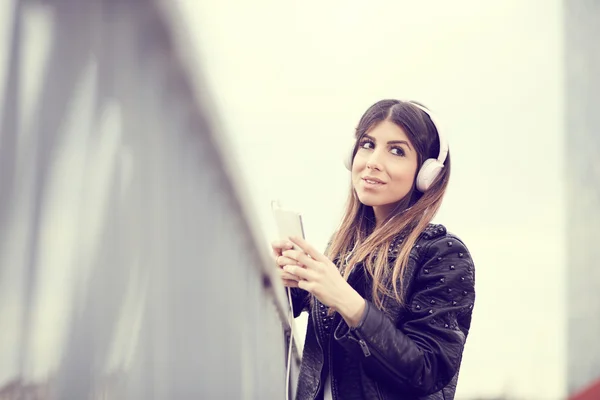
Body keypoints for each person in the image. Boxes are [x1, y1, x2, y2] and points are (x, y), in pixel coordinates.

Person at [272, 99, 475, 400]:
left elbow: (427, 370)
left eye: (397, 150)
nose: (373, 161)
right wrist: (291, 279)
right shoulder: (342, 249)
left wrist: (346, 301)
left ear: (427, 173)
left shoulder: (443, 254)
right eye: (367, 144)